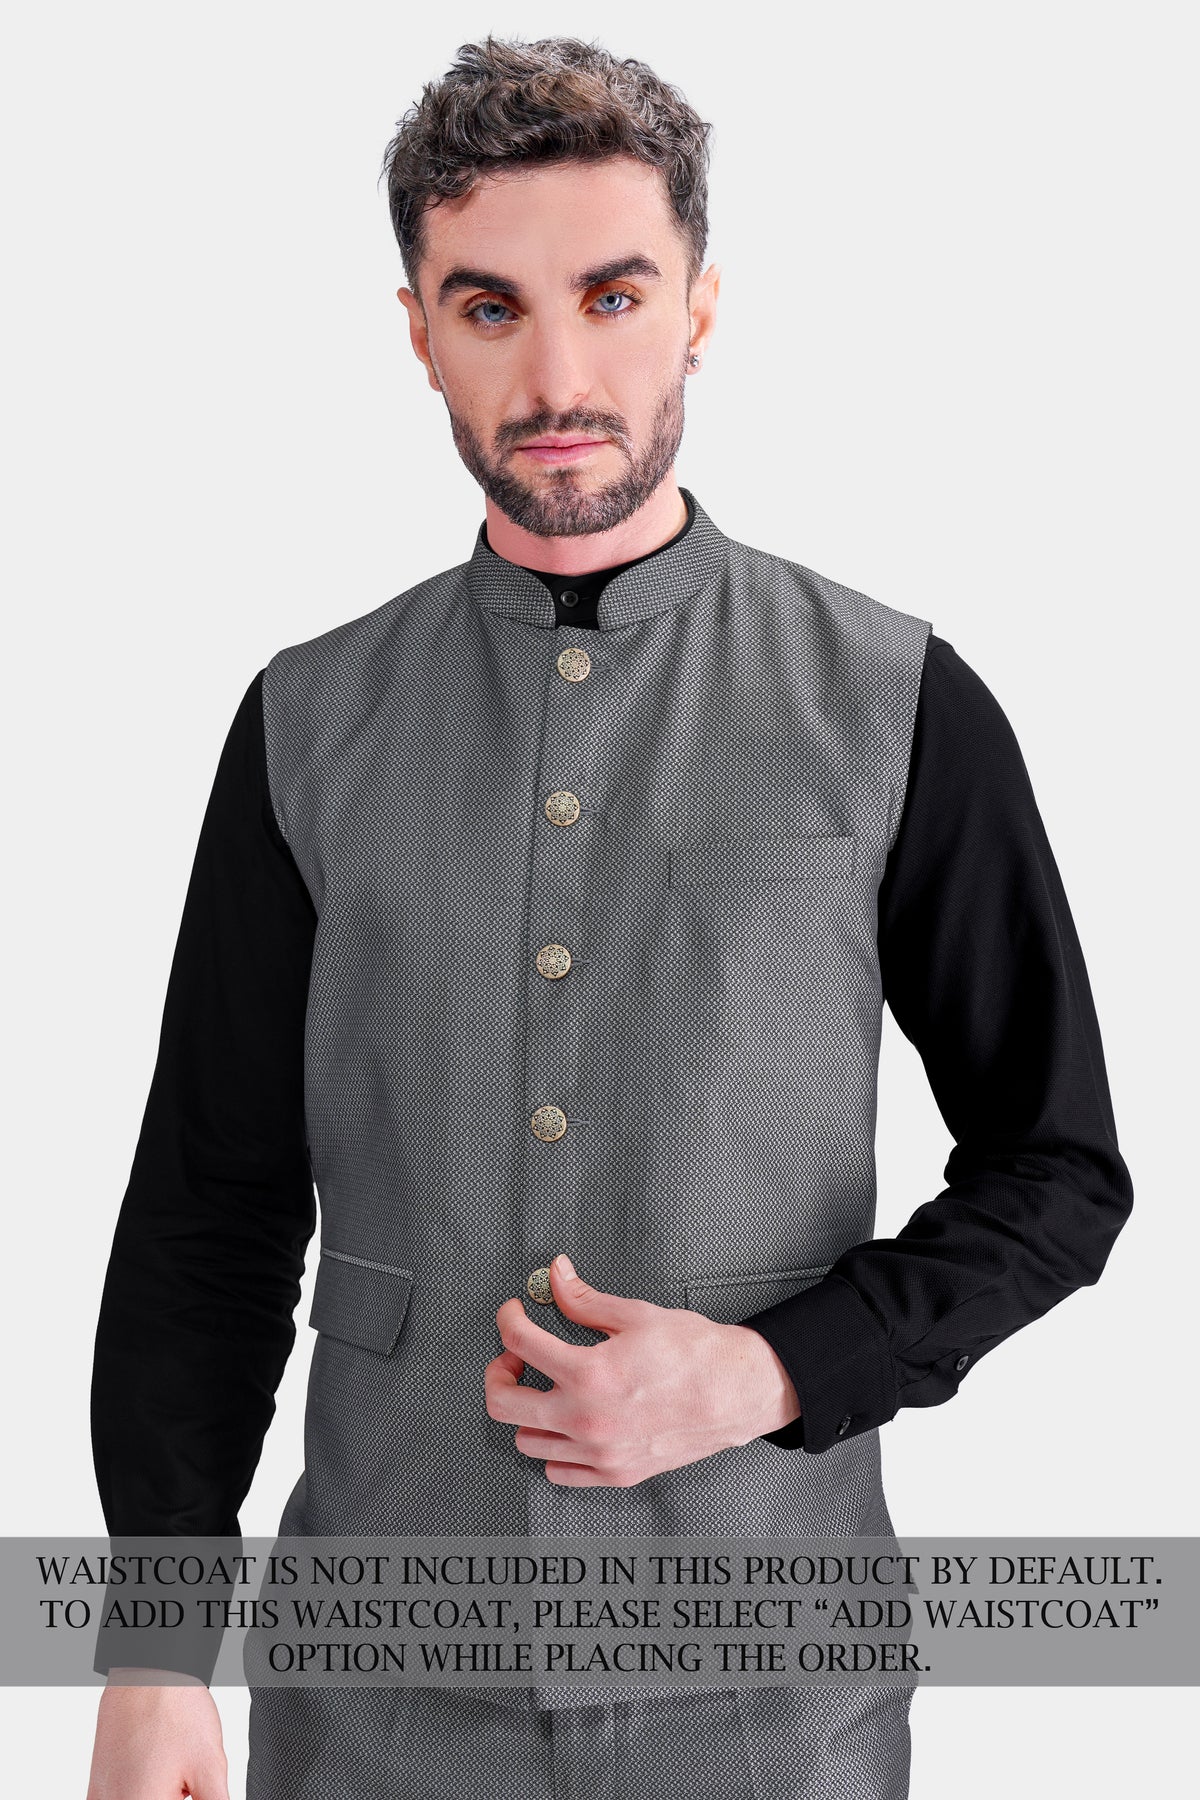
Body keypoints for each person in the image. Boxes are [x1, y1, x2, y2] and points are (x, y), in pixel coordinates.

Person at [86, 32, 1134, 1800]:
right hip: (374, 1711)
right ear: (418, 331)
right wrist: (153, 1650)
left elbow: (1059, 1171)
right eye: (491, 307)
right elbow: (212, 1213)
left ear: (702, 307)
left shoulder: (894, 702)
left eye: (615, 294)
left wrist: (770, 1371)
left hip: (777, 1714)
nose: (559, 374)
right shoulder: (305, 724)